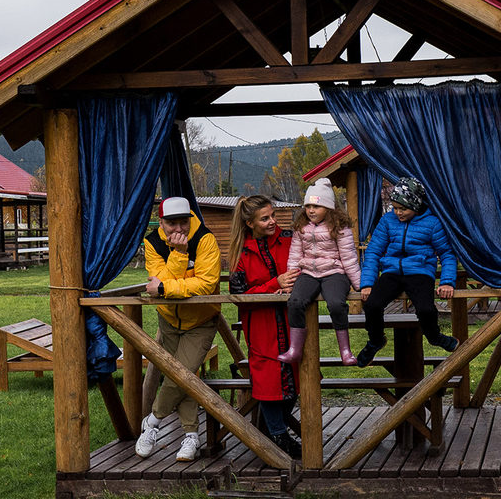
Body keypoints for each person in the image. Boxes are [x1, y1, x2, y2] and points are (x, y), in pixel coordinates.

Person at [135, 196, 221, 463]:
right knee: (185, 378)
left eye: (183, 221)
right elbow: (164, 281)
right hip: (168, 321)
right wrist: (179, 255)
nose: (179, 229)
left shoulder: (205, 239)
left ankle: (152, 421)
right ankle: (191, 435)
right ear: (161, 222)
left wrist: (163, 288)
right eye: (172, 224)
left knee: (181, 375)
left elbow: (206, 285)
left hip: (201, 321)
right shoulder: (152, 242)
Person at [226, 194, 303, 460]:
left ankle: (274, 433)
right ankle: (278, 439)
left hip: (293, 322)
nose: (273, 221)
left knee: (295, 379)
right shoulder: (240, 254)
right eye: (265, 218)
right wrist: (275, 284)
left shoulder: (291, 240)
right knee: (269, 382)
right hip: (261, 326)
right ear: (249, 223)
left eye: (273, 215)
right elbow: (240, 296)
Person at [355, 177, 458, 368]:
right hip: (392, 271)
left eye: (403, 208)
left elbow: (446, 253)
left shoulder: (432, 223)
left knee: (426, 309)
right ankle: (376, 340)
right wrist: (368, 283)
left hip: (420, 271)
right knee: (372, 305)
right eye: (394, 207)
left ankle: (434, 337)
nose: (398, 212)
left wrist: (447, 281)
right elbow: (373, 251)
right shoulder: (387, 221)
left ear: (416, 205)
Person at [279, 181, 361, 367]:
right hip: (308, 272)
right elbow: (294, 256)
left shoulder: (340, 228)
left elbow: (349, 258)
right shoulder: (301, 227)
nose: (311, 210)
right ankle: (295, 350)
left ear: (329, 207)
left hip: (334, 272)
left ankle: (345, 351)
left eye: (316, 206)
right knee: (295, 302)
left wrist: (360, 285)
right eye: (308, 206)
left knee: (336, 304)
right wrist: (289, 283)